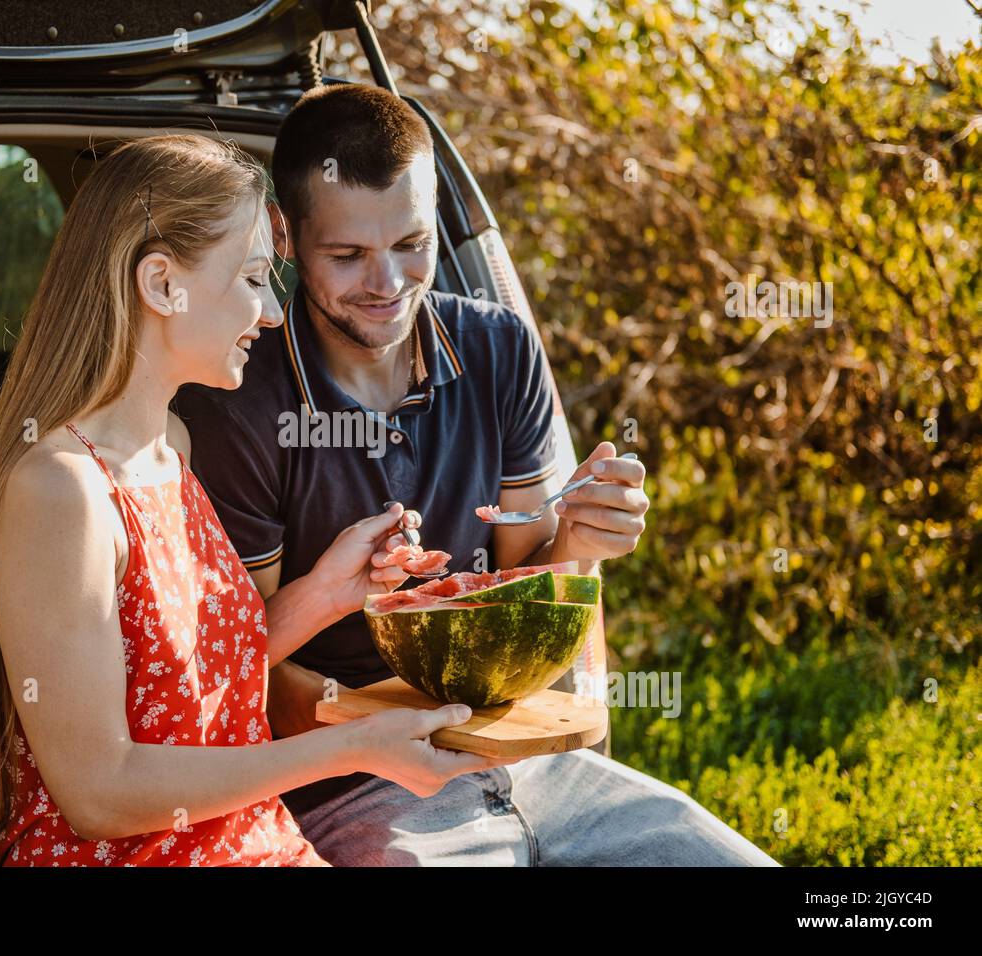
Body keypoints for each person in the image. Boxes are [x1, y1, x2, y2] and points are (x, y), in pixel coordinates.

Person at [173, 85, 780, 866]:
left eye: (412, 244)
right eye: (349, 255)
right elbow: (244, 672)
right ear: (286, 237)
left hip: (538, 762)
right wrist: (379, 735)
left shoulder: (500, 348)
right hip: (355, 784)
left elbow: (534, 581)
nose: (389, 284)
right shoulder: (236, 403)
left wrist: (582, 544)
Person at [0, 133, 518, 867]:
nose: (274, 313)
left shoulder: (171, 447)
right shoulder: (62, 492)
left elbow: (186, 683)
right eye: (252, 279)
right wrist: (349, 749)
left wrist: (322, 594)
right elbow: (98, 792)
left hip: (251, 844)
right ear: (160, 285)